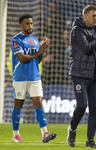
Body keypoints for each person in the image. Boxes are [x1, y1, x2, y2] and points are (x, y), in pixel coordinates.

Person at [67, 5, 96, 148]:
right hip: (80, 74)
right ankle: (72, 129)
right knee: (82, 105)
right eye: (93, 16)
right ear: (85, 16)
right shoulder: (77, 30)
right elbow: (87, 48)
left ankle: (90, 141)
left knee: (94, 109)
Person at [11, 14, 57, 143]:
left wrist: (42, 51)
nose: (30, 26)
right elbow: (22, 58)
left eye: (31, 23)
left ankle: (45, 133)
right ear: (21, 25)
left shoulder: (35, 40)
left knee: (38, 103)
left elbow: (38, 61)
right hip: (20, 77)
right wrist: (39, 52)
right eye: (27, 23)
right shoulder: (16, 40)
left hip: (35, 77)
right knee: (18, 105)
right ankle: (16, 135)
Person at [42, 0, 66, 85]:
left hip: (58, 47)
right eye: (50, 6)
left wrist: (51, 22)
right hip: (50, 47)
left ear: (56, 7)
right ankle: (47, 84)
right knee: (48, 66)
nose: (51, 8)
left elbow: (60, 30)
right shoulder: (46, 19)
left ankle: (59, 85)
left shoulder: (61, 17)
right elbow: (45, 33)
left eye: (53, 6)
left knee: (58, 68)